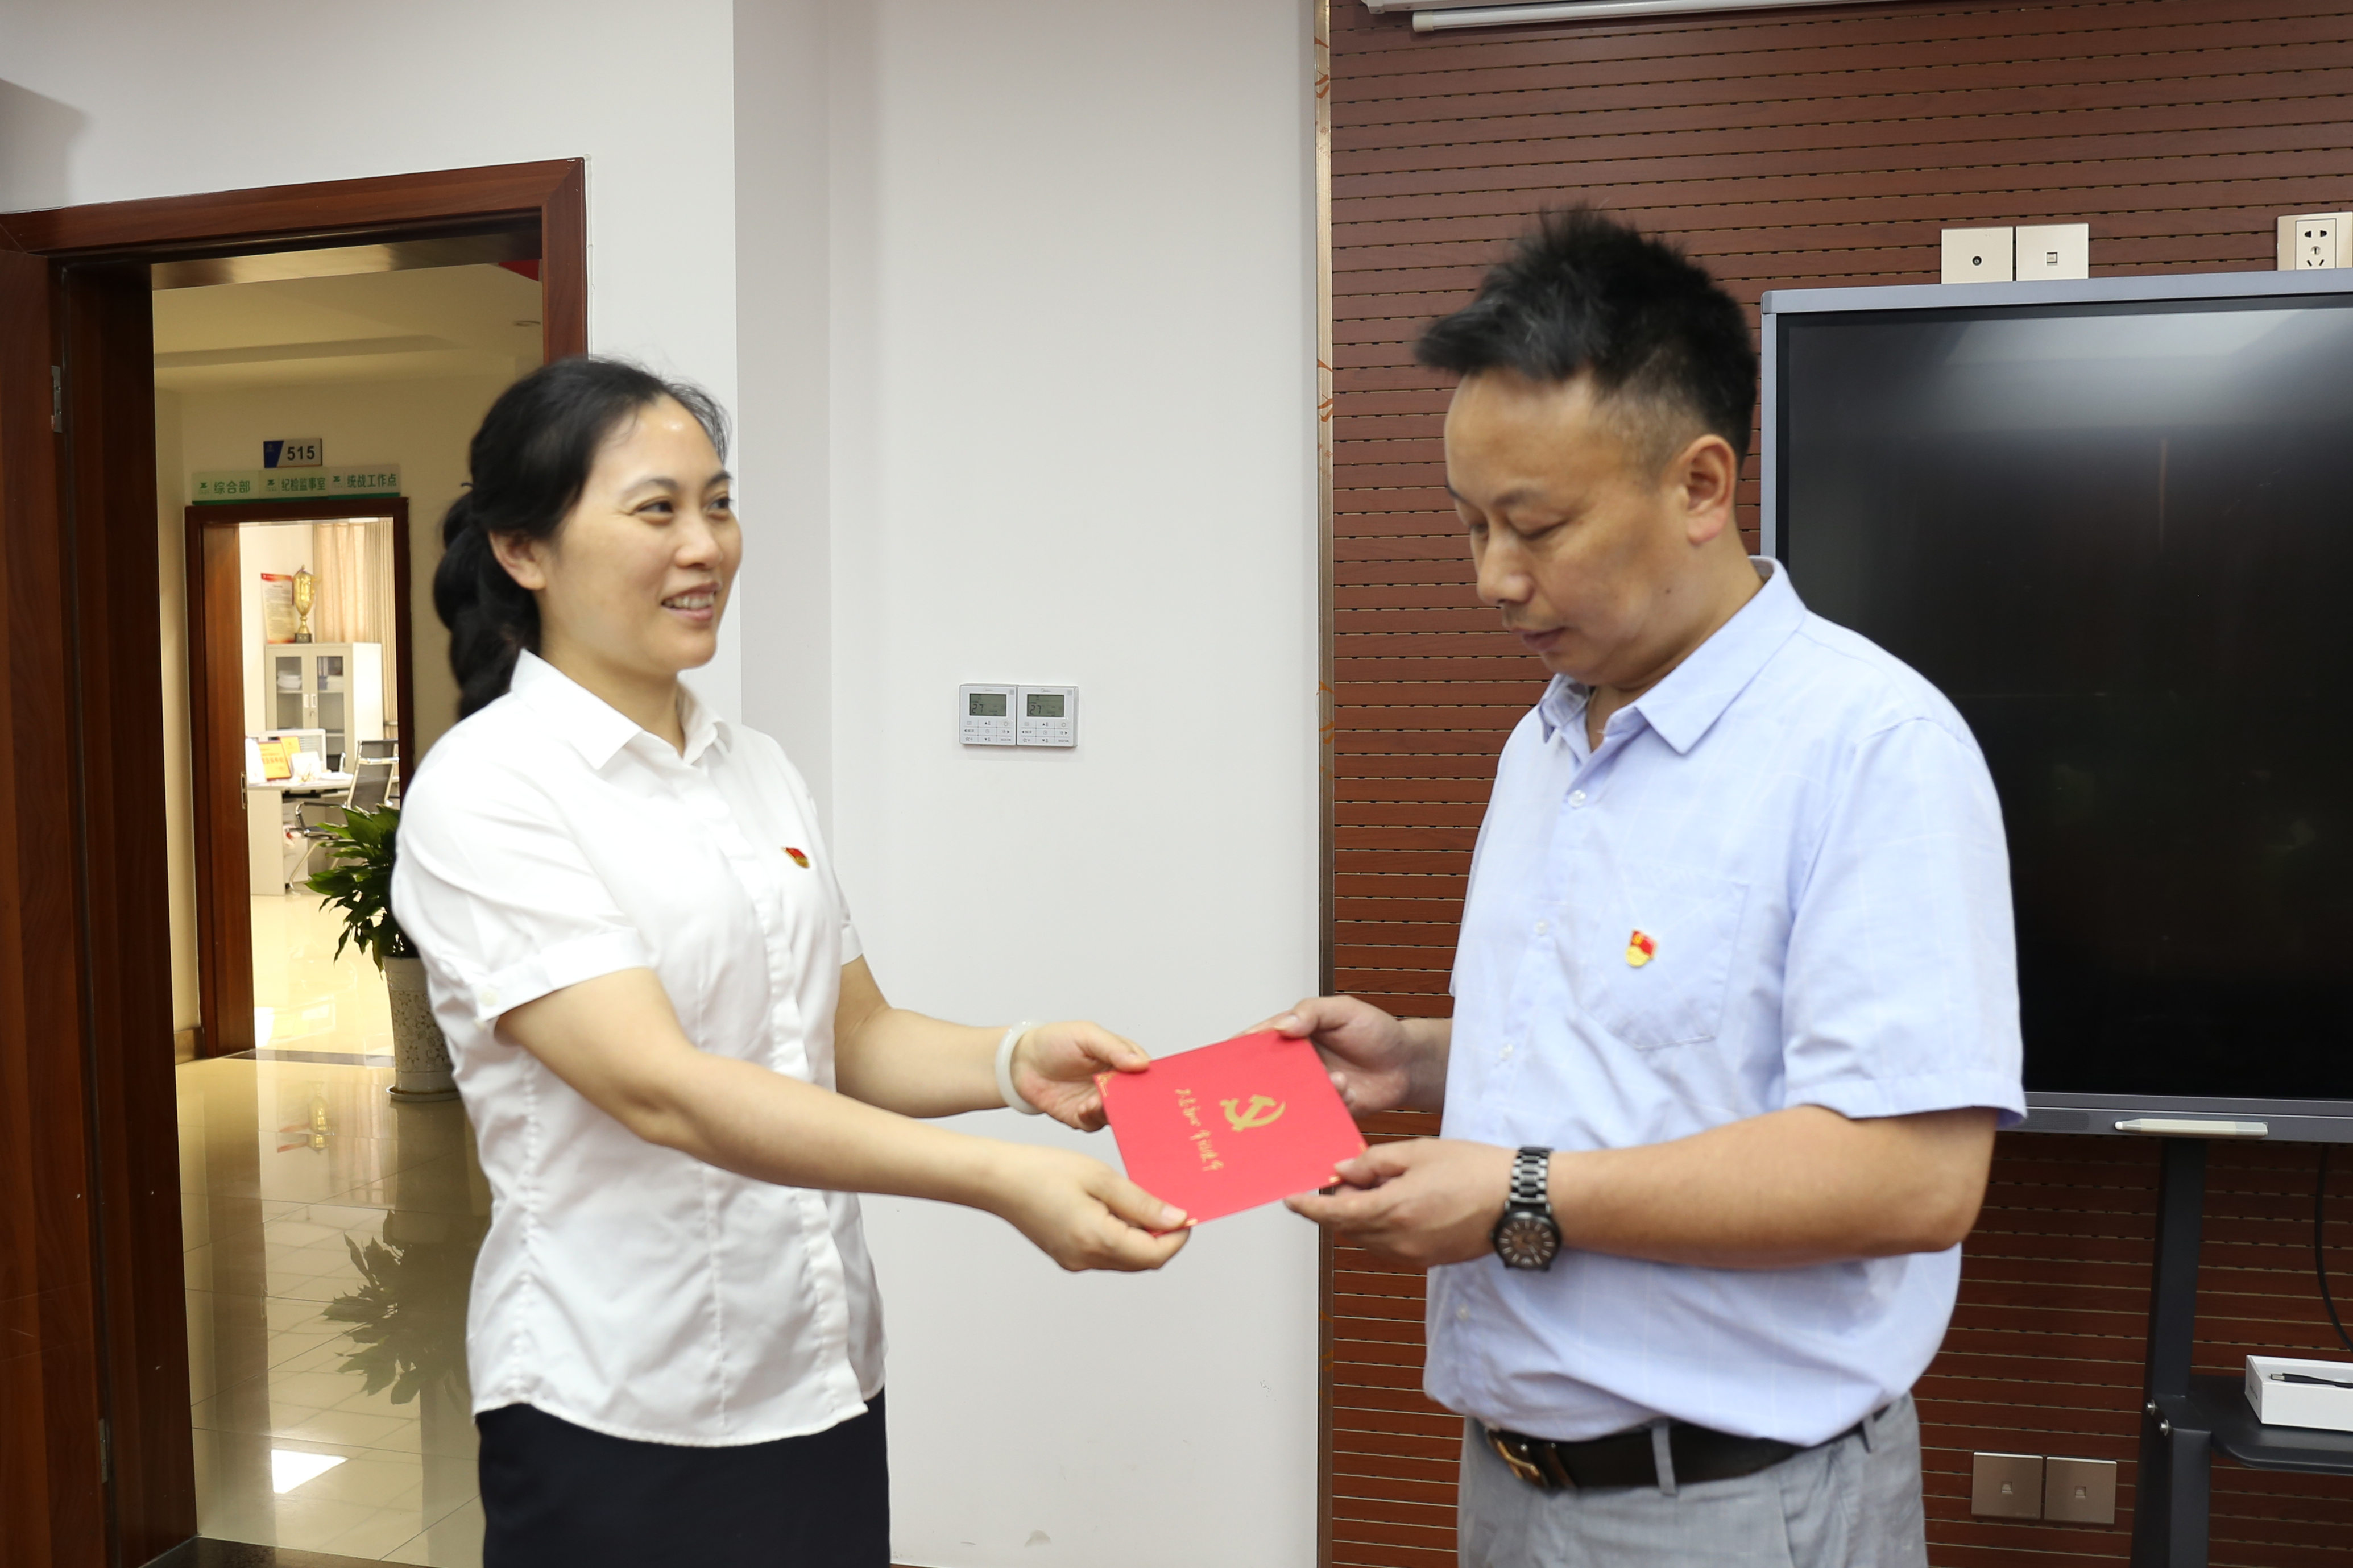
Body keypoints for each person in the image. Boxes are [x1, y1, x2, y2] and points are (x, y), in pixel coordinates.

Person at [1277, 209, 2024, 1566]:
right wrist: (1422, 1055)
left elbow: (1911, 1174)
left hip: (1736, 1505)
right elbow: (1658, 1041)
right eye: (1468, 526)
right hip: (1512, 1480)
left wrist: (1515, 1191)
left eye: (1535, 526)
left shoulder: (1869, 747)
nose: (1493, 579)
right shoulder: (1549, 735)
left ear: (1698, 485)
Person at [388, 356, 1188, 1568]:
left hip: (818, 1372)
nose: (704, 545)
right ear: (523, 549)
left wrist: (1016, 1059)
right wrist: (999, 1178)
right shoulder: (488, 792)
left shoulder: (752, 765)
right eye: (657, 509)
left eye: (718, 503)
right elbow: (664, 1087)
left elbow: (847, 1034)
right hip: (620, 1402)